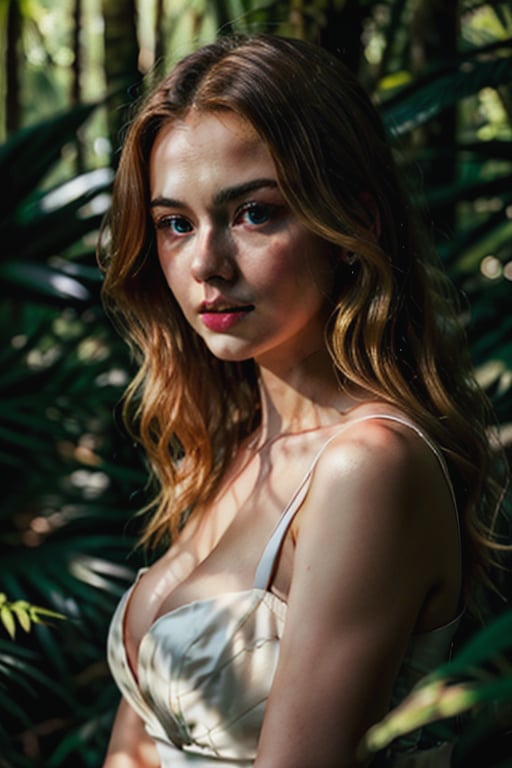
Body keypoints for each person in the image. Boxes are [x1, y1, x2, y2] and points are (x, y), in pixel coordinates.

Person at [98, 33, 504, 768]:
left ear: (354, 224)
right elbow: (135, 748)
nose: (205, 264)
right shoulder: (238, 447)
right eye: (175, 224)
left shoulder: (369, 465)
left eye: (253, 213)